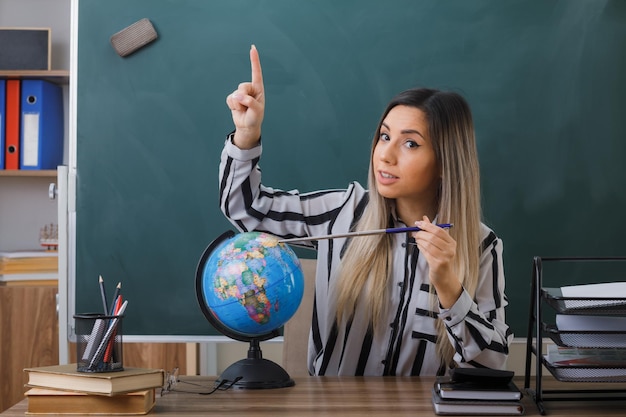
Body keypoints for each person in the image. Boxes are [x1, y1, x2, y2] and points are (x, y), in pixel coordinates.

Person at [220, 45, 512, 376]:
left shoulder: (481, 246)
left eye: (410, 143)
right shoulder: (342, 212)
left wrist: (448, 285)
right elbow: (246, 210)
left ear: (446, 161)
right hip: (335, 408)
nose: (385, 155)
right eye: (384, 136)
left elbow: (492, 360)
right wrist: (246, 134)